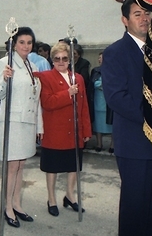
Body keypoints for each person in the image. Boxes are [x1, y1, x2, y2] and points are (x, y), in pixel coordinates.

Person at [102, 0, 152, 236]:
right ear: (125, 20)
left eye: (147, 14)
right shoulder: (115, 52)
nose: (144, 19)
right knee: (134, 208)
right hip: (134, 141)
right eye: (137, 14)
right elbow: (116, 97)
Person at [0, 26, 43, 228]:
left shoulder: (32, 64)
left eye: (29, 42)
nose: (26, 46)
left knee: (21, 164)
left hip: (27, 121)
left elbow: (36, 98)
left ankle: (17, 203)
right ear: (14, 43)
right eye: (22, 42)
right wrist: (4, 78)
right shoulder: (4, 63)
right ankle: (7, 207)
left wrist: (40, 125)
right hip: (12, 121)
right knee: (12, 166)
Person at [35, 42, 91, 217]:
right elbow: (48, 103)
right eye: (57, 58)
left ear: (70, 60)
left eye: (64, 58)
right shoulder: (46, 77)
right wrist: (67, 93)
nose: (61, 61)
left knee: (73, 166)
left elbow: (83, 106)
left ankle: (70, 196)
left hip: (74, 131)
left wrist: (86, 130)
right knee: (52, 167)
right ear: (52, 60)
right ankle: (51, 199)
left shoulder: (78, 78)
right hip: (54, 131)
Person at [89, 51, 113, 153]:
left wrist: (103, 85)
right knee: (98, 124)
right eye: (98, 58)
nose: (99, 60)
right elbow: (93, 83)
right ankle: (99, 144)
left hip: (109, 103)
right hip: (98, 101)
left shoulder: (113, 70)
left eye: (101, 58)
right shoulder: (95, 70)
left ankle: (113, 145)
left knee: (112, 124)